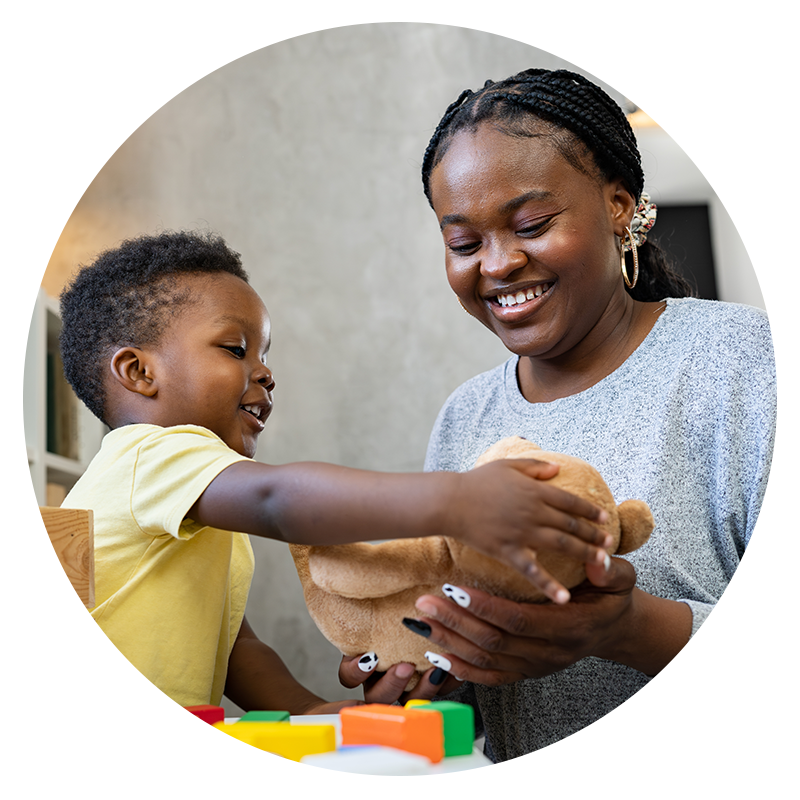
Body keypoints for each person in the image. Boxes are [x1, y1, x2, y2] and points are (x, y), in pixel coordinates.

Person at [349, 69, 771, 781]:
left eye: (532, 225)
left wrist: (629, 628)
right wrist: (438, 671)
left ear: (619, 205)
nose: (499, 264)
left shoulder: (743, 363)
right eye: (462, 243)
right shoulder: (465, 418)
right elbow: (506, 699)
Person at [57, 229, 613, 719]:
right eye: (235, 349)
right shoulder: (146, 457)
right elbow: (277, 498)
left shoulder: (190, 502)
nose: (265, 373)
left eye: (265, 355)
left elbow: (233, 651)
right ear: (138, 371)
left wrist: (320, 713)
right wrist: (458, 499)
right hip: (89, 756)